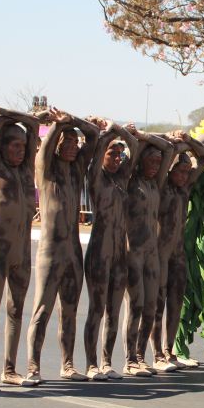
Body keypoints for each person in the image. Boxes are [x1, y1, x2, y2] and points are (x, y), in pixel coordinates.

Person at [26, 111, 99, 383]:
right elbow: (45, 148)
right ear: (56, 144)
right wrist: (59, 124)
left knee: (69, 311)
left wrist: (74, 122)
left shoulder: (76, 171)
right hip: (50, 251)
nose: (71, 146)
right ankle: (33, 366)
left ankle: (67, 364)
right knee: (42, 311)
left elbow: (92, 136)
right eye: (65, 142)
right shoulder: (46, 170)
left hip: (72, 251)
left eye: (74, 142)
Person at [0, 107, 42, 391]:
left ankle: (10, 369)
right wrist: (1, 114)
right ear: (1, 147)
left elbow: (34, 124)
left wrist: (24, 124)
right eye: (15, 145)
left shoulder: (26, 174)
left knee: (16, 311)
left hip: (23, 255)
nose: (19, 151)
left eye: (23, 147)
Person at [82, 120, 142, 380]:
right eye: (112, 154)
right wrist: (110, 132)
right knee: (96, 309)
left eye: (119, 154)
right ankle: (91, 363)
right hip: (99, 252)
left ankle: (107, 361)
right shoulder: (97, 179)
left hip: (120, 254)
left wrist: (123, 133)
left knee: (114, 311)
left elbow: (135, 147)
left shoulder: (122, 179)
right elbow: (96, 155)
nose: (117, 158)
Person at [151, 133, 204, 371]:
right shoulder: (162, 185)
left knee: (176, 301)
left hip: (178, 252)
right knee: (158, 302)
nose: (185, 175)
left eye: (187, 171)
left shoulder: (184, 189)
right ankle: (156, 353)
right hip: (159, 251)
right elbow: (166, 155)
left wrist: (188, 141)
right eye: (180, 170)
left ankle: (168, 349)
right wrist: (176, 147)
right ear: (170, 170)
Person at [123, 132, 175, 376]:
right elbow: (136, 148)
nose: (156, 165)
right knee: (136, 305)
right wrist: (141, 138)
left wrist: (153, 138)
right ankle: (130, 358)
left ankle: (141, 356)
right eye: (151, 161)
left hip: (152, 253)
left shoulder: (155, 183)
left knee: (151, 307)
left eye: (158, 162)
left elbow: (169, 150)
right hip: (133, 251)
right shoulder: (131, 182)